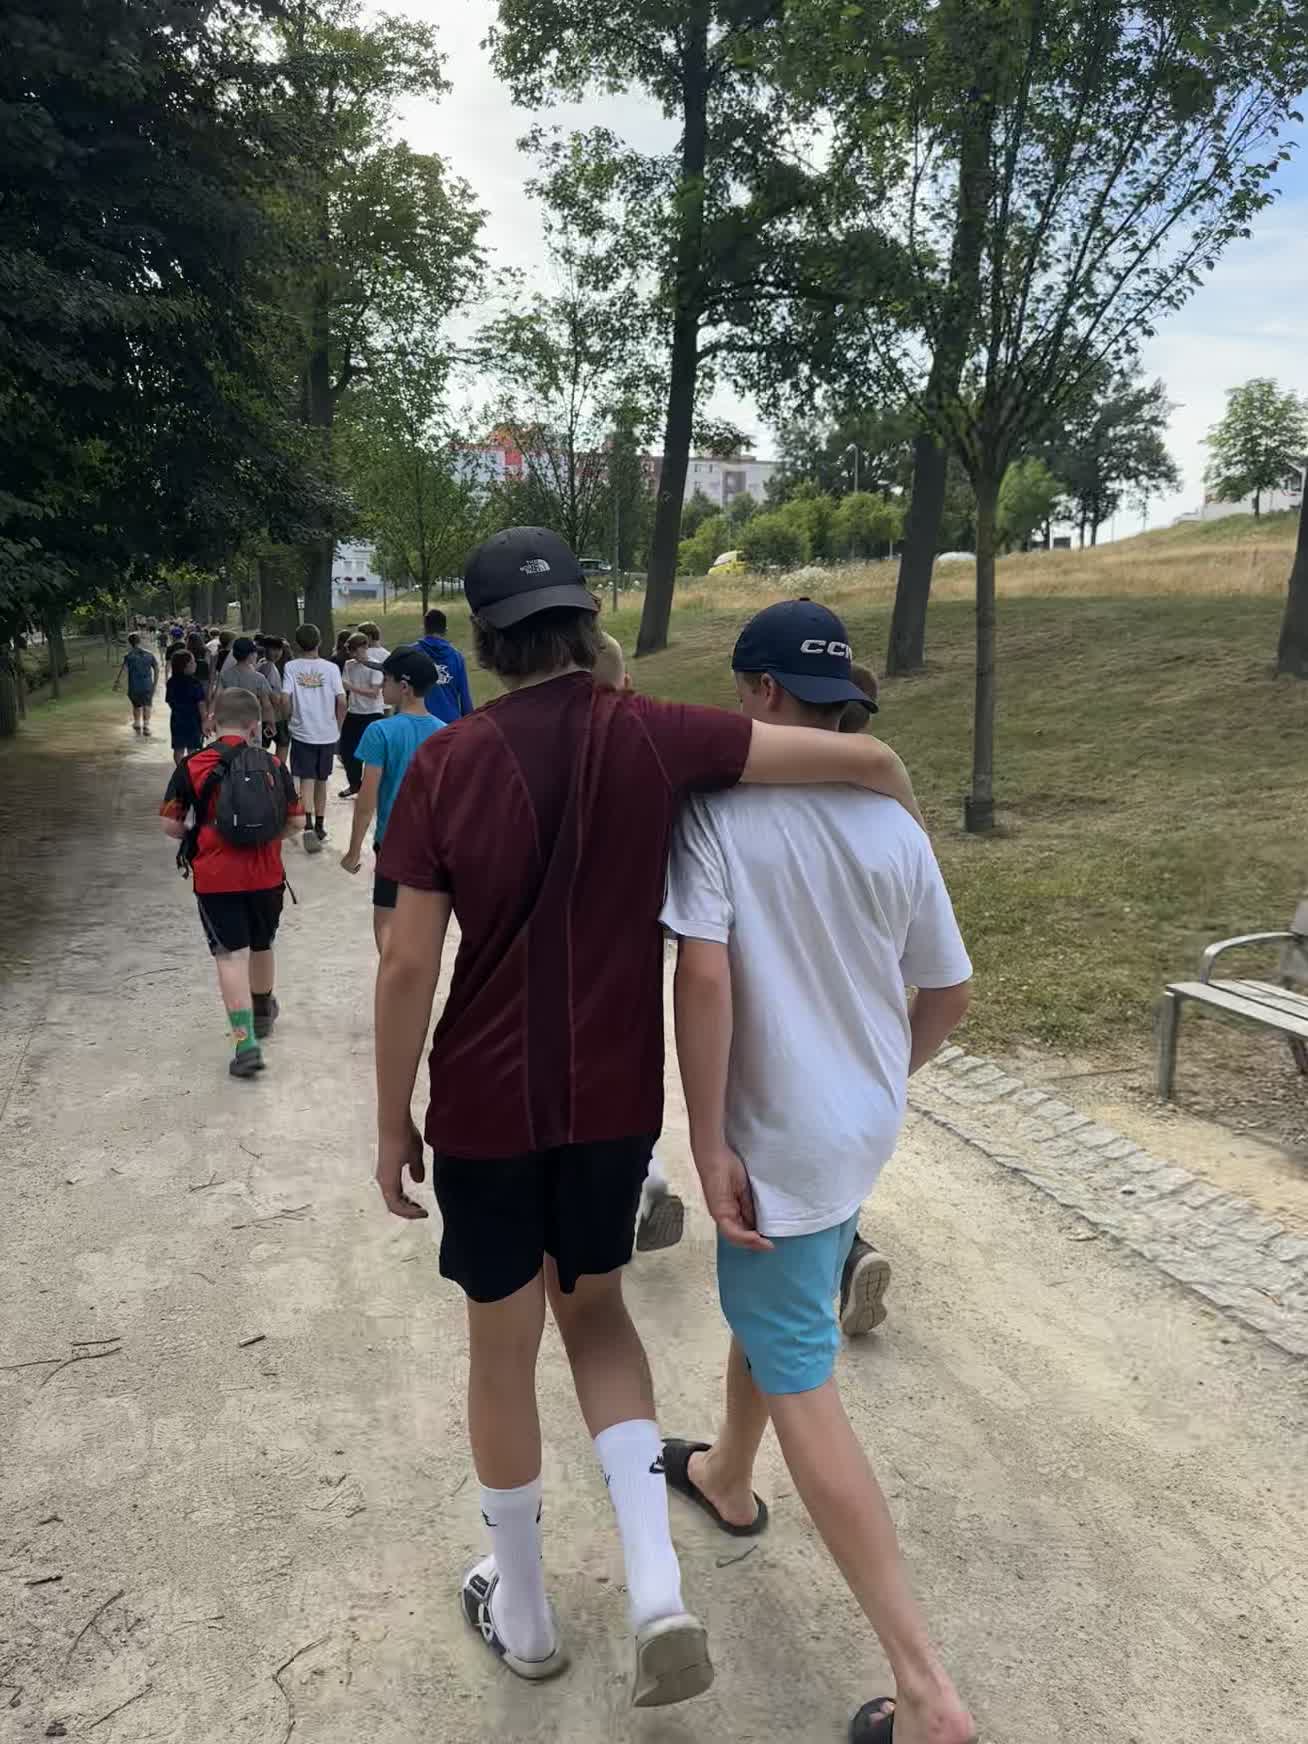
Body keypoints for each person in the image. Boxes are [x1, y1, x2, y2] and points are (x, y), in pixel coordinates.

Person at [372, 527, 925, 1710]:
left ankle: (525, 1612)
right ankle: (658, 1588)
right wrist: (892, 789)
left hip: (483, 1107)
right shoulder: (656, 732)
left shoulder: (449, 762)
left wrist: (389, 1119)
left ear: (486, 642)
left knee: (501, 1349)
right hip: (612, 1106)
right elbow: (852, 755)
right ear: (587, 621)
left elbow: (407, 963)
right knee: (600, 1317)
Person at [658, 599, 975, 1744]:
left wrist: (708, 1141)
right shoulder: (892, 823)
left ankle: (926, 1690)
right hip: (854, 1134)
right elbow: (948, 991)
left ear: (759, 693)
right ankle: (728, 1475)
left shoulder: (716, 811)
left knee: (801, 1367)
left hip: (776, 1141)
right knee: (778, 1309)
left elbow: (702, 978)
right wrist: (882, 1077)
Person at [158, 687, 303, 1077]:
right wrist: (265, 836)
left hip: (216, 878)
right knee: (263, 942)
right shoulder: (274, 764)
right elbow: (297, 821)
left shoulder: (192, 765)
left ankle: (245, 1043)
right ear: (255, 726)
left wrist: (199, 834)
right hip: (266, 875)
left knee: (230, 956)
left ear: (211, 721)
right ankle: (263, 1010)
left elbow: (170, 823)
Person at [340, 647, 443, 949]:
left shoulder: (379, 731)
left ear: (404, 686)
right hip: (432, 848)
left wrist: (354, 851)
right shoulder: (445, 732)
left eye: (386, 679)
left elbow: (366, 800)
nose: (381, 685)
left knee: (386, 927)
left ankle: (391, 976)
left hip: (393, 846)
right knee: (423, 933)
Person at [281, 622, 345, 853]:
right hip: (327, 732)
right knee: (322, 780)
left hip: (302, 732)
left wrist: (289, 717)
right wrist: (337, 725)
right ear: (319, 642)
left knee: (306, 780)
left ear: (297, 645)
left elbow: (285, 698)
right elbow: (342, 701)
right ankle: (320, 826)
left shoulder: (291, 667)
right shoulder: (331, 668)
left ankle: (307, 825)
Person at [338, 629, 385, 797]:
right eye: (349, 651)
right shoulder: (349, 665)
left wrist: (352, 688)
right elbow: (343, 685)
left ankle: (371, 787)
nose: (351, 654)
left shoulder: (374, 666)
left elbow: (374, 693)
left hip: (372, 713)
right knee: (346, 750)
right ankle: (354, 784)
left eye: (354, 650)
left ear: (363, 648)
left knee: (372, 752)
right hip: (354, 711)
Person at [416, 608, 475, 724]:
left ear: (424, 629)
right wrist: (470, 724)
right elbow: (465, 698)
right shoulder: (457, 657)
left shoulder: (412, 653)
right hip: (450, 724)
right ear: (445, 631)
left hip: (421, 723)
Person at [217, 635, 280, 737]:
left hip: (229, 723)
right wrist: (271, 723)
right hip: (251, 725)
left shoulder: (225, 675)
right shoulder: (259, 678)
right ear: (251, 655)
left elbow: (218, 697)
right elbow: (266, 705)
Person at [165, 648, 206, 766]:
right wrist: (204, 720)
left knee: (178, 748)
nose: (195, 664)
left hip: (177, 719)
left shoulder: (171, 682)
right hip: (193, 720)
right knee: (192, 749)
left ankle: (180, 769)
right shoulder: (195, 683)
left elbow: (169, 701)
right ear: (185, 666)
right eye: (192, 662)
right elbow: (201, 704)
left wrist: (179, 710)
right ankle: (190, 770)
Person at [114, 633, 158, 734]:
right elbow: (156, 669)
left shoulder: (128, 656)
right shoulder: (149, 655)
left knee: (136, 705)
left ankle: (137, 723)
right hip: (147, 685)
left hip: (134, 685)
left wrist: (117, 683)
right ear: (139, 641)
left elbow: (123, 671)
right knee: (147, 705)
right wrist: (155, 683)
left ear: (130, 643)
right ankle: (146, 725)